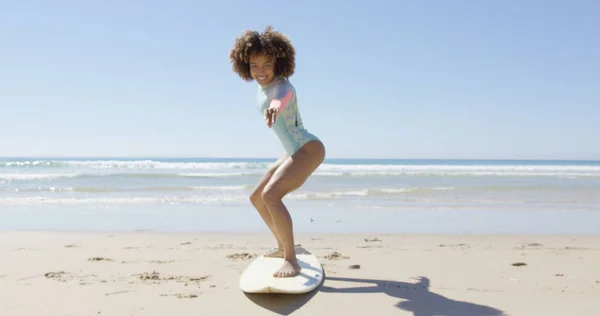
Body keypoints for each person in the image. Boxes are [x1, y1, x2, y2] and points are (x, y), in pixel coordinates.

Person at [229, 26, 326, 278]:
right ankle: (283, 245)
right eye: (254, 66)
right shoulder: (262, 86)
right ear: (245, 65)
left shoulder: (282, 86)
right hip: (292, 150)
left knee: (272, 195)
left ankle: (291, 260)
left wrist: (274, 108)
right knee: (257, 197)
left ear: (278, 63)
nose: (260, 71)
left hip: (307, 148)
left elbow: (282, 97)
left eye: (267, 64)